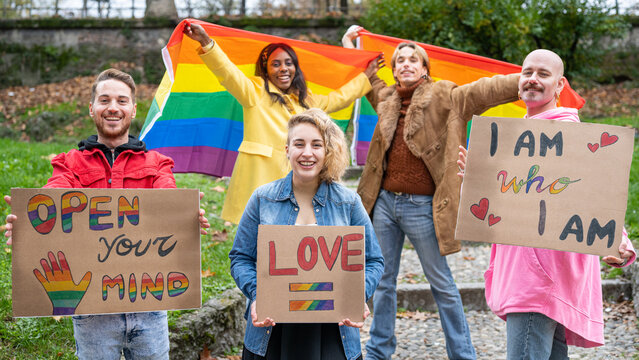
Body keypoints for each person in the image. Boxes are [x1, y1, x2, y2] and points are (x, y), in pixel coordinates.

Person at [3, 68, 211, 359]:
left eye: (122, 101)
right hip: (91, 310)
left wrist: (187, 216)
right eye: (104, 100)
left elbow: (169, 199)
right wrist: (29, 223)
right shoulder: (70, 164)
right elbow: (52, 196)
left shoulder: (158, 163)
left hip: (148, 303)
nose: (113, 107)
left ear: (133, 109)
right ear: (92, 108)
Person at [344, 27, 521, 360]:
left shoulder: (444, 95)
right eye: (400, 61)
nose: (406, 64)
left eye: (414, 59)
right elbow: (369, 80)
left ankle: (463, 354)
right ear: (394, 69)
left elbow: (483, 91)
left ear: (425, 68)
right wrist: (351, 47)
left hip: (422, 207)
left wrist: (524, 78)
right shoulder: (387, 99)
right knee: (382, 282)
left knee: (442, 284)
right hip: (383, 205)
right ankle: (379, 351)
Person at [457, 49, 637, 359]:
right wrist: (473, 184)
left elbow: (597, 194)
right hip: (525, 273)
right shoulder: (508, 139)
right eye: (527, 72)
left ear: (559, 85)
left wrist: (618, 241)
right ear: (518, 81)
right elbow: (498, 206)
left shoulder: (575, 137)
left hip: (538, 279)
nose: (533, 79)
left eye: (543, 74)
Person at [228, 108, 384, 360]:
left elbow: (374, 260)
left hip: (333, 330)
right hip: (272, 329)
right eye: (299, 144)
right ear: (287, 149)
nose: (307, 153)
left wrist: (357, 294)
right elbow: (240, 258)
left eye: (316, 145)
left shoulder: (349, 203)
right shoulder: (262, 198)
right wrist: (259, 294)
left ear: (327, 151)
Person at [183, 22, 376, 225]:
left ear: (295, 68)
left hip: (296, 184)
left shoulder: (306, 100)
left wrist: (366, 77)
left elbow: (339, 98)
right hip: (260, 181)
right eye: (276, 64)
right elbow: (227, 72)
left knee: (291, 241)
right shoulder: (254, 92)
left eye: (288, 63)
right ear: (266, 70)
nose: (283, 68)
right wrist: (206, 42)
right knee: (257, 245)